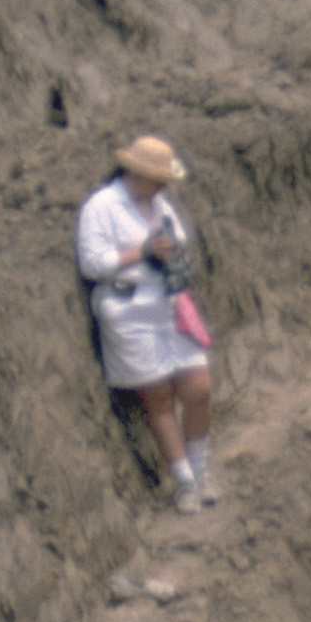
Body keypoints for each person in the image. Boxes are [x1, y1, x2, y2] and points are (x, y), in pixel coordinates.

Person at [76, 135, 215, 515]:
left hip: (169, 303)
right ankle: (184, 480)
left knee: (199, 386)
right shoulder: (101, 207)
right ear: (138, 173)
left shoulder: (158, 204)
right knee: (158, 399)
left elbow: (178, 236)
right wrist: (144, 252)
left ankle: (202, 470)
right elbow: (93, 263)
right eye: (159, 178)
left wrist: (169, 247)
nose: (164, 186)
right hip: (129, 308)